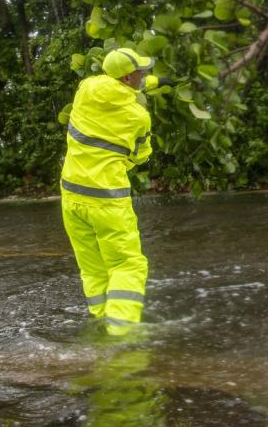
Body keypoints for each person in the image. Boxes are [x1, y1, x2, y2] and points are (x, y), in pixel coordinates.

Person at [60, 47, 155, 336]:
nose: (143, 75)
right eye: (140, 72)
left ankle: (101, 324)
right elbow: (139, 157)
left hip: (72, 198)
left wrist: (151, 86)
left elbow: (116, 88)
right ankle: (122, 335)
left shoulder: (85, 90)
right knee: (127, 265)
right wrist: (140, 102)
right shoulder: (138, 117)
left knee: (93, 268)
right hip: (108, 201)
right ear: (128, 78)